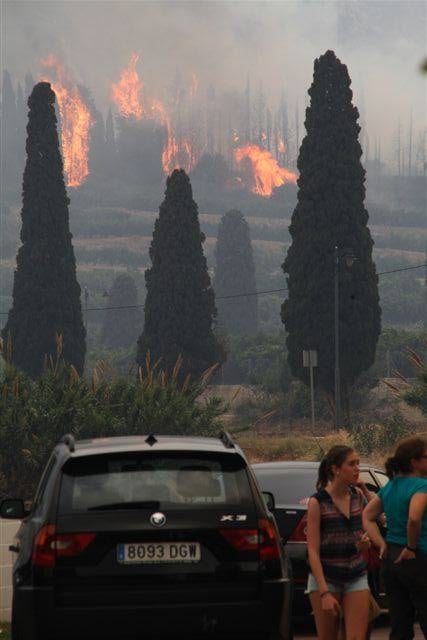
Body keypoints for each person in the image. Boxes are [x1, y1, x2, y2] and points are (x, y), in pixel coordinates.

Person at [363, 436, 427, 639]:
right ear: (414, 461)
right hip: (418, 557)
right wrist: (411, 546)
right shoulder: (421, 487)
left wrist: (381, 544)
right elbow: (414, 518)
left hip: (391, 559)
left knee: (400, 622)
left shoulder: (390, 486)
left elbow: (367, 516)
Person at [306, 445, 371, 640]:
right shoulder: (318, 502)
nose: (357, 468)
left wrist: (364, 543)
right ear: (335, 469)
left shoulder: (357, 496)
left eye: (358, 463)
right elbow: (313, 551)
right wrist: (324, 593)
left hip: (356, 575)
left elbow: (376, 521)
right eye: (351, 464)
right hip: (326, 579)